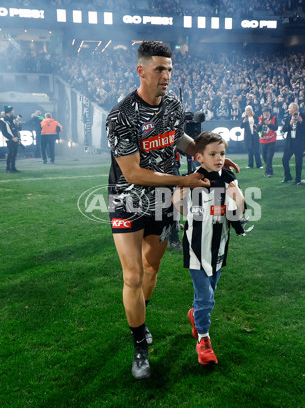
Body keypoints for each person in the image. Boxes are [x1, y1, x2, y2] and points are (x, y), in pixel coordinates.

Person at [107, 42, 238, 380]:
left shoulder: (174, 105)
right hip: (128, 201)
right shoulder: (121, 115)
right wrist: (185, 180)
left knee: (151, 270)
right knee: (132, 274)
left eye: (169, 69)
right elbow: (133, 173)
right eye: (159, 69)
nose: (166, 76)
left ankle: (140, 317)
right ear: (141, 70)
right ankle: (139, 345)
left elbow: (177, 138)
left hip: (163, 203)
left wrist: (208, 157)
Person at [171, 131, 245, 366]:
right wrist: (179, 196)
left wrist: (238, 196)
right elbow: (181, 210)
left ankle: (195, 315)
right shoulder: (191, 180)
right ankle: (203, 339)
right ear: (199, 158)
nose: (219, 158)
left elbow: (238, 214)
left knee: (208, 295)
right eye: (213, 154)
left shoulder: (230, 181)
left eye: (222, 153)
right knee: (206, 298)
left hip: (220, 248)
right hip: (196, 249)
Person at [281, 102, 305, 185]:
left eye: (289, 108)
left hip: (299, 143)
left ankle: (298, 180)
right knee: (284, 159)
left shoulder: (303, 116)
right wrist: (290, 123)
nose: (288, 110)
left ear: (294, 108)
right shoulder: (288, 117)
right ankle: (287, 176)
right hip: (290, 143)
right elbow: (284, 129)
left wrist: (301, 121)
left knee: (298, 162)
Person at [0, 105, 22, 173]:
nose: (13, 111)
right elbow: (4, 132)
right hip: (9, 139)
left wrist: (17, 124)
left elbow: (20, 128)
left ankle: (13, 167)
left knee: (14, 153)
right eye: (12, 110)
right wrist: (12, 138)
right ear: (8, 111)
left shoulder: (14, 118)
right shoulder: (2, 120)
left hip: (16, 137)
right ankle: (8, 168)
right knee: (10, 153)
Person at [258, 106, 278, 178]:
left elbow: (276, 128)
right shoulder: (260, 118)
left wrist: (269, 124)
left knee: (269, 156)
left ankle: (267, 172)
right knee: (264, 156)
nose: (265, 113)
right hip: (263, 140)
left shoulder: (274, 118)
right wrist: (260, 124)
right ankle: (270, 169)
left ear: (269, 112)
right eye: (264, 112)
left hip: (272, 140)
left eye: (267, 112)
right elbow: (257, 130)